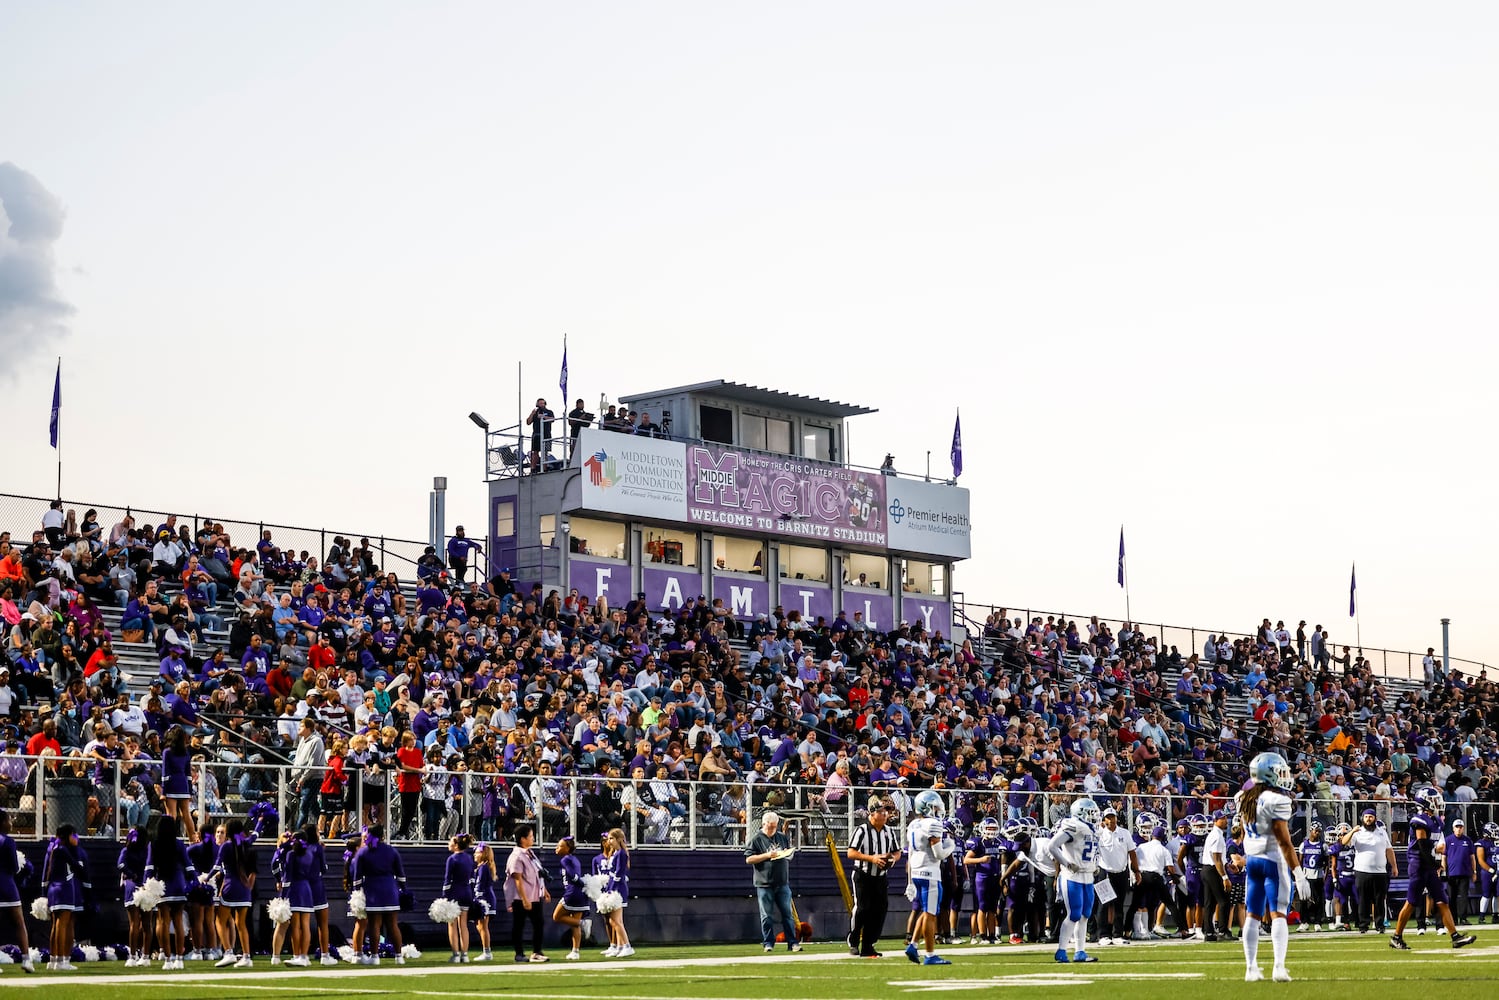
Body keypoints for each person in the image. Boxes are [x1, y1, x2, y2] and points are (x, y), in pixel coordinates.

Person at [1237, 751, 1309, 983]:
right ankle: (1278, 967)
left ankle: (1251, 968)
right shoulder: (1277, 800)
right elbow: (1284, 841)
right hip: (1273, 861)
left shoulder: (1243, 796)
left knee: (1253, 914)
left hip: (1252, 860)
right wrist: (1298, 873)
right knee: (1278, 914)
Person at [1388, 787, 1476, 950]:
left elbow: (1431, 846)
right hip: (1419, 865)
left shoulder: (1435, 820)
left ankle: (1455, 936)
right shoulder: (1419, 820)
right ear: (1425, 802)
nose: (1438, 803)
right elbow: (1422, 845)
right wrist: (1434, 863)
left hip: (1428, 865)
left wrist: (1436, 857)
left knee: (1443, 901)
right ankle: (1396, 937)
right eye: (1435, 800)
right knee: (1411, 903)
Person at [902, 789, 954, 966]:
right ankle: (930, 955)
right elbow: (939, 854)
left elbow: (909, 853)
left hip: (916, 871)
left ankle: (913, 944)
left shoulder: (913, 825)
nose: (937, 809)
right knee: (931, 914)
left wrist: (909, 880)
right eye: (934, 806)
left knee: (926, 911)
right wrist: (950, 847)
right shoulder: (933, 824)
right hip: (930, 872)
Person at [1048, 797, 1102, 964]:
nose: (1094, 816)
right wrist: (1067, 863)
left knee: (1085, 914)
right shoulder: (1074, 825)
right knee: (1074, 913)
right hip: (1072, 875)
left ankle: (1080, 952)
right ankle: (1061, 951)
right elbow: (1052, 846)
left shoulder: (1092, 829)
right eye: (1090, 813)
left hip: (1088, 875)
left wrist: (1095, 864)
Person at [848, 798, 902, 957]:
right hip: (863, 875)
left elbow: (897, 852)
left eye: (886, 811)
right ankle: (854, 941)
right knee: (862, 909)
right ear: (872, 813)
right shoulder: (862, 830)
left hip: (880, 877)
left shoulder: (889, 831)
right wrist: (872, 858)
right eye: (881, 811)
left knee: (879, 910)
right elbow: (851, 853)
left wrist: (892, 860)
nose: (885, 814)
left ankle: (868, 944)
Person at [352, 823, 409, 964]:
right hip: (390, 890)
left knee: (374, 925)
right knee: (392, 924)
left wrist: (356, 893)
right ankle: (399, 957)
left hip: (372, 890)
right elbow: (401, 874)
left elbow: (357, 877)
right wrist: (404, 888)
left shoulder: (363, 852)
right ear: (383, 835)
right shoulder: (391, 850)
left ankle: (375, 957)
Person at [745, 810, 801, 954]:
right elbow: (749, 858)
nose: (772, 829)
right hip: (764, 883)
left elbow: (788, 851)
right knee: (766, 916)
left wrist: (787, 854)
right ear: (764, 824)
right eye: (770, 827)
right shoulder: (756, 838)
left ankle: (793, 942)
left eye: (774, 826)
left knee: (787, 914)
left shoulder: (781, 837)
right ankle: (768, 942)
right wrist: (767, 855)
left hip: (782, 882)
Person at [42, 824, 88, 971]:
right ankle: (62, 961)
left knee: (56, 925)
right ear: (68, 836)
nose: (76, 838)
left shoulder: (52, 848)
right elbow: (77, 867)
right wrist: (75, 848)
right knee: (63, 925)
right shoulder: (64, 849)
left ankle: (53, 959)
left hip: (53, 889)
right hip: (65, 888)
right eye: (73, 835)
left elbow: (47, 873)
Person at [505, 823, 550, 963]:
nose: (533, 839)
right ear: (522, 839)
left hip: (535, 895)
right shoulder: (517, 856)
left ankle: (537, 952)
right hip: (521, 897)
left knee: (539, 923)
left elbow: (537, 874)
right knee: (519, 925)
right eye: (530, 836)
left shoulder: (530, 853)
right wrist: (524, 899)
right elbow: (517, 878)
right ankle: (519, 953)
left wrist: (544, 890)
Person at [1096, 807, 1140, 946]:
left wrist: (1136, 870)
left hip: (1121, 872)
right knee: (1103, 905)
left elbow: (1132, 852)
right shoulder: (1099, 834)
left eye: (1112, 817)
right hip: (1105, 872)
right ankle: (1103, 935)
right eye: (1108, 818)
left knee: (1119, 904)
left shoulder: (1125, 833)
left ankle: (1117, 934)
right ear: (1104, 820)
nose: (1111, 820)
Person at [962, 816, 1004, 946]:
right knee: (982, 907)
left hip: (995, 877)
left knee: (992, 909)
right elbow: (966, 860)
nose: (991, 831)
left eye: (993, 828)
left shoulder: (999, 842)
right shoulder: (978, 842)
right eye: (989, 828)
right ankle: (983, 935)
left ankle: (992, 935)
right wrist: (981, 860)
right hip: (982, 878)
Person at [0, 810, 34, 972]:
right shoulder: (8, 841)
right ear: (2, 823)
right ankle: (27, 960)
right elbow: (14, 867)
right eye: (9, 820)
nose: (11, 823)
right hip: (7, 886)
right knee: (19, 923)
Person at [119, 826, 153, 967]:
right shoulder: (147, 850)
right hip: (146, 886)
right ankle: (145, 956)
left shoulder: (126, 850)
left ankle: (132, 957)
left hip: (132, 886)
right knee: (147, 924)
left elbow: (120, 865)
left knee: (134, 923)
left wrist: (131, 874)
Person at [553, 836, 589, 961]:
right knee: (574, 924)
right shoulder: (575, 859)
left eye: (559, 846)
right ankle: (575, 951)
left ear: (567, 848)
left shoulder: (565, 860)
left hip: (572, 892)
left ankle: (584, 923)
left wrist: (579, 882)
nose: (556, 848)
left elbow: (573, 876)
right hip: (580, 893)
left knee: (556, 916)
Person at [442, 834, 476, 962]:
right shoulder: (469, 858)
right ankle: (465, 955)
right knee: (463, 925)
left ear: (456, 845)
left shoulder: (452, 859)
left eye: (450, 842)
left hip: (454, 892)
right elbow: (472, 878)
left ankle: (456, 955)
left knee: (452, 924)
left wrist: (445, 896)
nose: (448, 844)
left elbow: (447, 879)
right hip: (466, 892)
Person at [601, 828, 633, 957]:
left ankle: (627, 946)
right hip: (614, 887)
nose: (609, 841)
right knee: (615, 920)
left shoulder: (621, 854)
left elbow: (619, 873)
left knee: (616, 920)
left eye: (611, 838)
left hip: (618, 889)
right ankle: (620, 946)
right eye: (608, 838)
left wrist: (611, 890)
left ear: (619, 839)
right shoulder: (615, 853)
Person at [1296, 821, 1329, 932]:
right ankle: (1304, 922)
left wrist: (1325, 875)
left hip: (1318, 875)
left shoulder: (1323, 845)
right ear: (1311, 831)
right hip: (1306, 874)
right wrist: (1300, 876)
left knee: (1319, 900)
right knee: (1304, 900)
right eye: (1315, 831)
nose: (1317, 833)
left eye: (1319, 831)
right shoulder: (1304, 844)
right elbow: (1300, 861)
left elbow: (1326, 862)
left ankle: (1317, 921)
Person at [1443, 818, 1475, 926]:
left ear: (1463, 828)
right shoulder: (1448, 840)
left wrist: (1474, 871)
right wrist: (1443, 869)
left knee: (1463, 896)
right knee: (1452, 897)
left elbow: (1472, 857)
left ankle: (1463, 918)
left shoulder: (1467, 840)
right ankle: (1453, 918)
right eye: (1457, 827)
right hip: (1452, 873)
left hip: (1464, 872)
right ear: (1453, 828)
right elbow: (1444, 856)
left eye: (1460, 827)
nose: (1459, 829)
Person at [471, 841, 499, 961]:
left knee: (483, 926)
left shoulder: (483, 867)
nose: (474, 855)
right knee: (480, 926)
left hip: (484, 898)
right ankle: (486, 951)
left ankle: (487, 953)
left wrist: (477, 899)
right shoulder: (483, 867)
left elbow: (480, 885)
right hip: (485, 897)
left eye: (477, 853)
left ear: (483, 854)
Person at [1478, 822, 1499, 924]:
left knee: (1496, 894)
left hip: (1497, 871)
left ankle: (1495, 915)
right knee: (1486, 894)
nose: (1496, 833)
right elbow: (1481, 860)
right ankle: (1481, 917)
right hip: (1487, 872)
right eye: (1494, 831)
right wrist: (1491, 870)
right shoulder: (1482, 843)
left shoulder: (1497, 842)